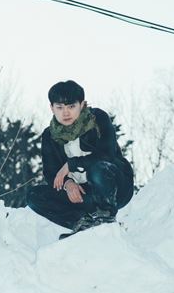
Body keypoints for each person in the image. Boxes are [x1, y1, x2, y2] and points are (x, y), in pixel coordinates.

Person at [27, 80, 134, 238]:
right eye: (60, 107)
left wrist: (71, 165)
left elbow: (107, 155)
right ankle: (83, 223)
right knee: (34, 195)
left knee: (98, 167)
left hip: (115, 188)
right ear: (51, 108)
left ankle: (105, 217)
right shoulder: (49, 136)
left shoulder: (98, 119)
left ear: (82, 105)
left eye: (71, 106)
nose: (66, 113)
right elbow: (51, 173)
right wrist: (68, 183)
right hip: (84, 195)